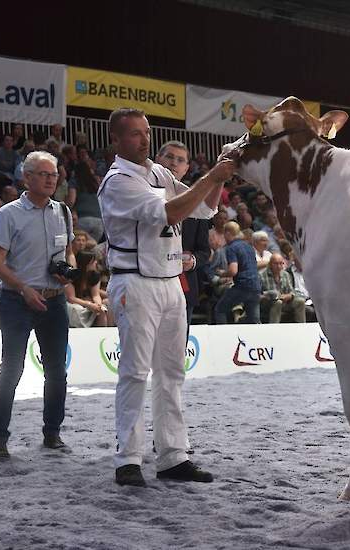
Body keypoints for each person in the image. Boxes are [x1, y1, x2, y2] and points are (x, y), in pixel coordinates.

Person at [98, 107, 233, 487]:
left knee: (173, 372)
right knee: (135, 372)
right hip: (135, 282)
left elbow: (203, 209)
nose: (144, 140)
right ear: (117, 141)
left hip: (170, 281)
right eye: (135, 134)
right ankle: (128, 458)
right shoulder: (117, 181)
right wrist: (213, 174)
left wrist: (221, 176)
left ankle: (173, 456)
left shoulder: (158, 173)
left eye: (146, 132)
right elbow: (171, 212)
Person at [0, 150, 75, 459]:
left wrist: (68, 273)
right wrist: (23, 288)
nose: (52, 179)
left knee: (57, 372)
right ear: (27, 177)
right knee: (11, 369)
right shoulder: (8, 213)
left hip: (54, 299)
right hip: (17, 300)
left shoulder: (62, 211)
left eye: (54, 174)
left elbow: (69, 252)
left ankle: (52, 433)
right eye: (44, 174)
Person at [155, 140, 211, 326]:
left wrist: (193, 260)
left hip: (183, 284)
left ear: (187, 168)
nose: (174, 163)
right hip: (149, 283)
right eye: (169, 157)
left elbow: (204, 251)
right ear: (157, 159)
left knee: (177, 350)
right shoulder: (141, 194)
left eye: (180, 160)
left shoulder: (196, 203)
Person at [214, 222, 261, 325]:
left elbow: (233, 270)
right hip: (256, 285)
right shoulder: (249, 246)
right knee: (254, 319)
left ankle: (222, 336)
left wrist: (221, 273)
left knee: (220, 310)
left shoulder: (232, 248)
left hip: (242, 286)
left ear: (228, 233)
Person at [65, 250, 109, 327]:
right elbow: (71, 298)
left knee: (102, 310)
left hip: (88, 301)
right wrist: (88, 304)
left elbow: (95, 295)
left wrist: (98, 305)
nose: (96, 263)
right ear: (86, 263)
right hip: (76, 302)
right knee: (76, 309)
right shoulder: (72, 276)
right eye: (93, 261)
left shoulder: (94, 276)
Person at [260, 253, 306, 323]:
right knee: (278, 303)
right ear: (270, 264)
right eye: (276, 264)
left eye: (281, 264)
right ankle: (274, 328)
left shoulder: (286, 275)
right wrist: (271, 295)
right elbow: (259, 294)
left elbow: (292, 291)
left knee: (300, 301)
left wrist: (289, 296)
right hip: (269, 303)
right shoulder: (262, 275)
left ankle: (301, 327)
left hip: (285, 301)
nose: (279, 266)